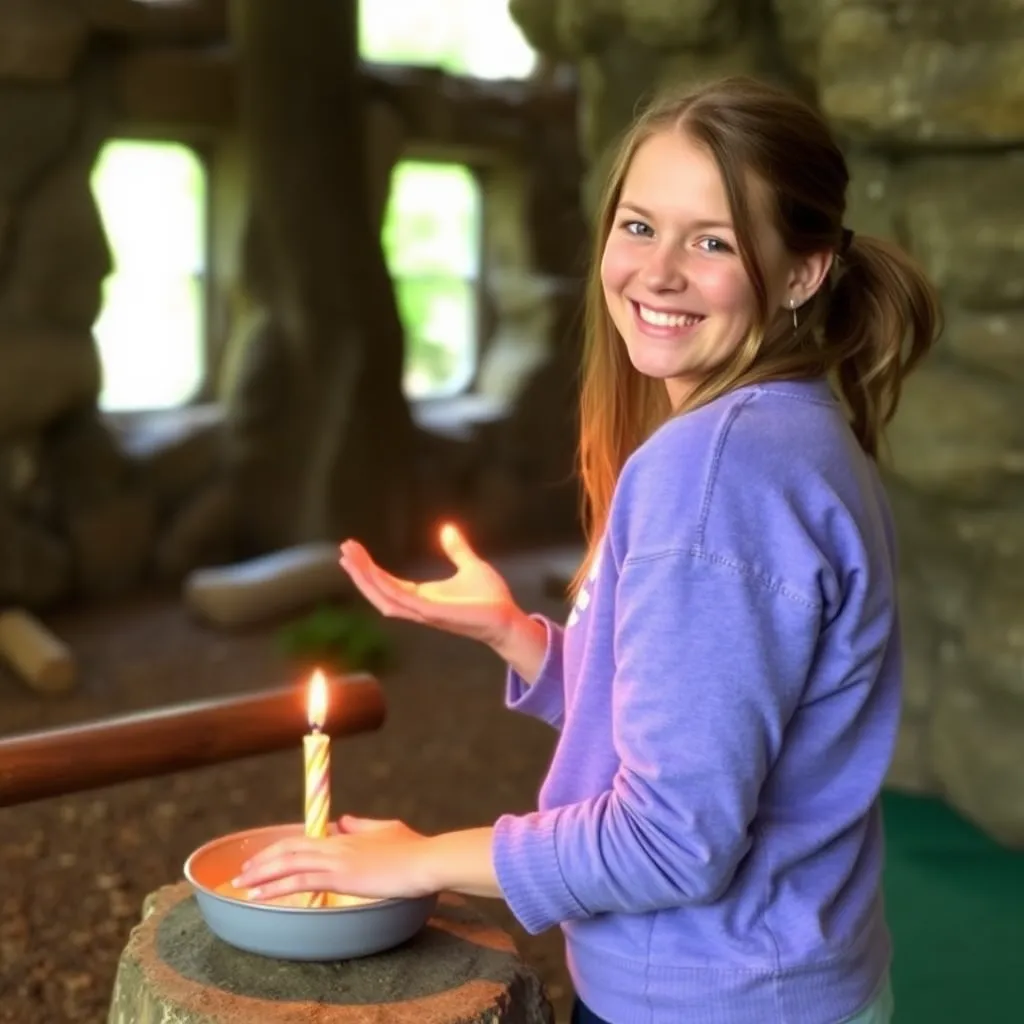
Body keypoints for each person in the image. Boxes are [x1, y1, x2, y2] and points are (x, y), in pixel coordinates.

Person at [234, 75, 942, 1023]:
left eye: (715, 240)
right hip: (792, 982)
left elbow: (669, 841)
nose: (658, 272)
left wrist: (413, 858)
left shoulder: (715, 470)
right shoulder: (801, 430)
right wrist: (518, 638)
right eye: (640, 226)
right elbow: (704, 716)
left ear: (805, 271)